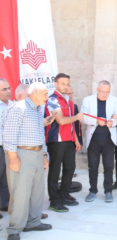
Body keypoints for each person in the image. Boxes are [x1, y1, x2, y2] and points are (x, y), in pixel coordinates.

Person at [3, 82, 52, 240]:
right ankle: (15, 229)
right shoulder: (19, 108)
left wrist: (44, 154)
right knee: (20, 193)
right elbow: (9, 135)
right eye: (45, 94)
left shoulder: (39, 110)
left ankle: (33, 222)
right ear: (35, 93)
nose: (47, 97)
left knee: (38, 191)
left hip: (38, 153)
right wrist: (13, 158)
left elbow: (40, 134)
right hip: (22, 154)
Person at [45, 73, 84, 213]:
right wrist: (77, 117)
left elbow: (71, 124)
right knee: (55, 170)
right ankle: (54, 201)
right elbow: (61, 121)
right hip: (56, 140)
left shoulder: (67, 99)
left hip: (69, 140)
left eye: (68, 84)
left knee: (70, 167)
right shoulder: (52, 99)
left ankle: (64, 195)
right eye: (63, 84)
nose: (66, 87)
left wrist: (76, 138)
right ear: (55, 84)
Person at [80, 80, 117, 203]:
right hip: (93, 140)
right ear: (97, 90)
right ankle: (92, 191)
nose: (105, 94)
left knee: (109, 166)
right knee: (93, 166)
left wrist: (112, 122)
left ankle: (108, 191)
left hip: (108, 139)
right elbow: (82, 116)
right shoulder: (88, 100)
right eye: (102, 92)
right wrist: (96, 121)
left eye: (107, 92)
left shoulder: (114, 100)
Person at [0, 78, 12, 221]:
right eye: (4, 89)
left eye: (9, 88)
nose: (9, 91)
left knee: (6, 178)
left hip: (9, 147)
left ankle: (4, 203)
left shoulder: (12, 105)